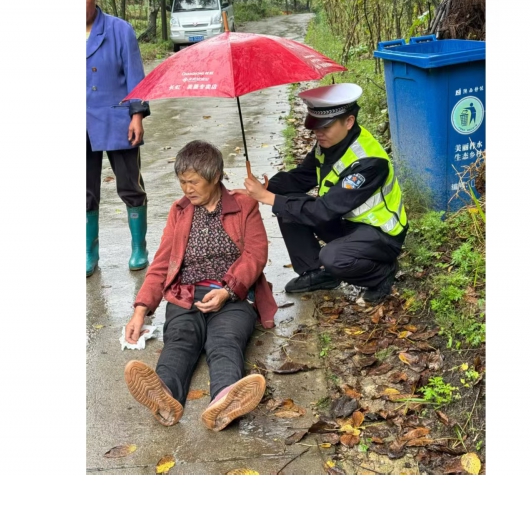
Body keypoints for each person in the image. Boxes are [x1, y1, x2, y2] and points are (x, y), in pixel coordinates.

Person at [123, 141, 277, 431]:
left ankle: (224, 402)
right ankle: (164, 397)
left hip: (233, 296)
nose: (187, 189)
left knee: (225, 341)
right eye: (182, 182)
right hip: (186, 295)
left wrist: (228, 291)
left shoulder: (244, 206)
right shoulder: (179, 211)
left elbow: (255, 255)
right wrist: (140, 310)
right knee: (179, 340)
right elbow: (162, 262)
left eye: (193, 182)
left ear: (215, 176)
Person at [233, 83, 408, 304]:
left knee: (333, 257)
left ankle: (382, 274)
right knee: (289, 206)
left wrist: (268, 198)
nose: (318, 133)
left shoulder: (369, 162)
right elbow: (301, 177)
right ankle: (316, 273)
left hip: (380, 234)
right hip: (347, 222)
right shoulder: (329, 143)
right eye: (315, 127)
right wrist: (262, 189)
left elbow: (324, 211)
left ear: (349, 122)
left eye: (325, 127)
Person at [86, 0, 151, 277]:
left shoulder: (119, 30)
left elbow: (136, 76)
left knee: (130, 184)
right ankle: (89, 252)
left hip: (117, 119)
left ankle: (139, 247)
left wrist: (136, 114)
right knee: (83, 191)